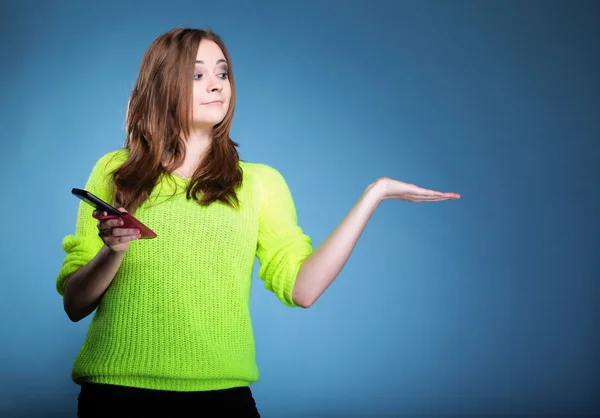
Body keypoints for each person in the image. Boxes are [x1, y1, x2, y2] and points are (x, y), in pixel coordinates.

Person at [56, 27, 460, 417]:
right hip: (118, 395)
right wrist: (114, 251)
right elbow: (75, 304)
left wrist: (374, 194)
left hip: (222, 396)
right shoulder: (115, 171)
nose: (217, 85)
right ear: (163, 86)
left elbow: (303, 289)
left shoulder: (261, 183)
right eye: (197, 74)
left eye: (222, 72)